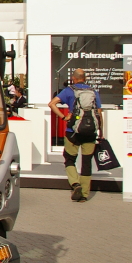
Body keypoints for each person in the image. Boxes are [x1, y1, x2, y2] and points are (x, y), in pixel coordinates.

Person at [49, 68, 101, 202]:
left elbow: (52, 104)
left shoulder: (69, 91)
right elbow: (99, 113)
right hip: (90, 132)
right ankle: (84, 194)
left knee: (69, 159)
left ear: (74, 78)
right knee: (87, 162)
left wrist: (63, 117)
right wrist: (100, 132)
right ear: (85, 78)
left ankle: (75, 183)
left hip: (73, 131)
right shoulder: (93, 92)